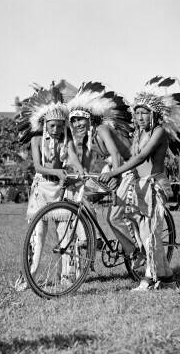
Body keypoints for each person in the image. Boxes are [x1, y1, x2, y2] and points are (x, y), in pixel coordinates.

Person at [100, 76, 180, 291]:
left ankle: (149, 279)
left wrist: (116, 171)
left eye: (144, 112)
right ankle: (168, 278)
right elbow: (130, 155)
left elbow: (140, 157)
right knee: (145, 234)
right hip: (139, 185)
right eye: (137, 113)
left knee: (151, 233)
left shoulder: (159, 132)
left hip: (154, 185)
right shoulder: (139, 133)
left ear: (154, 114)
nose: (139, 117)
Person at [14, 84, 84, 291]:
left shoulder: (66, 140)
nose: (56, 130)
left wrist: (79, 172)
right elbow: (37, 166)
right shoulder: (36, 140)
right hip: (42, 189)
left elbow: (74, 159)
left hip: (60, 189)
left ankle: (67, 277)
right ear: (45, 125)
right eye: (52, 126)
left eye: (60, 126)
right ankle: (28, 277)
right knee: (37, 236)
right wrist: (57, 172)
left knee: (65, 234)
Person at [67, 82, 138, 257]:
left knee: (113, 218)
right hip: (113, 170)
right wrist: (78, 175)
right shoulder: (86, 139)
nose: (77, 124)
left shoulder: (102, 129)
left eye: (81, 119)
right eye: (74, 120)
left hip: (129, 168)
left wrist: (116, 178)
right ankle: (95, 237)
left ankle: (135, 253)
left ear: (90, 118)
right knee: (82, 194)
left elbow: (117, 155)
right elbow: (84, 164)